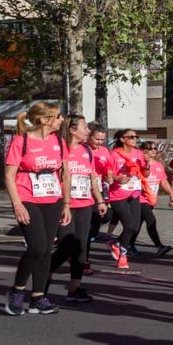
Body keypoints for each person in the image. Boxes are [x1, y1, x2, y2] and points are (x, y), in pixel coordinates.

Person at [3, 103, 69, 315]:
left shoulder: (59, 141)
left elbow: (65, 175)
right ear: (44, 119)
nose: (61, 120)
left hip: (53, 198)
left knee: (47, 248)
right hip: (27, 197)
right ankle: (16, 291)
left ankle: (38, 298)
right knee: (37, 247)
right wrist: (17, 204)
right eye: (58, 116)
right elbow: (9, 176)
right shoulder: (20, 142)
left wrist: (66, 204)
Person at [50, 114, 107, 303]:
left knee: (81, 247)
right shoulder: (59, 148)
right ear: (73, 129)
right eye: (85, 127)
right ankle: (44, 276)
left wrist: (99, 200)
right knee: (67, 245)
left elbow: (91, 177)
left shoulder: (86, 150)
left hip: (85, 204)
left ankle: (74, 289)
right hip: (64, 205)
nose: (88, 131)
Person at [104, 128, 146, 270]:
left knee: (135, 227)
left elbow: (144, 172)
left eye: (136, 137)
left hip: (133, 193)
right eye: (132, 137)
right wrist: (117, 178)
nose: (135, 139)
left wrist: (148, 164)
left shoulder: (139, 153)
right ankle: (123, 255)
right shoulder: (114, 154)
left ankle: (116, 243)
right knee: (128, 225)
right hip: (117, 194)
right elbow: (108, 176)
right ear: (123, 139)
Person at [127, 141, 173, 258]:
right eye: (150, 148)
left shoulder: (158, 165)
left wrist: (171, 193)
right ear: (143, 151)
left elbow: (163, 181)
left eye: (155, 148)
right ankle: (159, 246)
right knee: (151, 220)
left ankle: (127, 244)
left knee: (137, 224)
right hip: (139, 198)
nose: (153, 150)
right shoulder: (138, 164)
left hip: (151, 200)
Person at [84, 123, 114, 273]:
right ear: (89, 136)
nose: (100, 142)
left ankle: (78, 253)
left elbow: (109, 167)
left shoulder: (104, 150)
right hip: (83, 192)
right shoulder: (84, 149)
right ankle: (84, 261)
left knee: (103, 219)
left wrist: (110, 176)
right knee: (87, 228)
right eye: (97, 139)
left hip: (99, 191)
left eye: (102, 139)